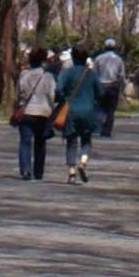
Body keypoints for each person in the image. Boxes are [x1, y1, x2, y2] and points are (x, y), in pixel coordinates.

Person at [55, 43, 103, 182]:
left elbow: (58, 90)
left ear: (73, 57)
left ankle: (71, 173)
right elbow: (100, 92)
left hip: (71, 111)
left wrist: (63, 99)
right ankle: (82, 162)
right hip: (88, 111)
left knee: (71, 141)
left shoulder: (67, 73)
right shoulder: (92, 74)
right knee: (86, 140)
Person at [13, 45, 57, 181]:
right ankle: (38, 172)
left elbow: (18, 94)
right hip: (42, 112)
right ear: (43, 60)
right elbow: (52, 95)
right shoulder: (48, 76)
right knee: (40, 142)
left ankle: (26, 169)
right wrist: (52, 108)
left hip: (26, 111)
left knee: (25, 141)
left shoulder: (24, 74)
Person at [91, 37, 127, 138]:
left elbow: (94, 73)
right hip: (113, 86)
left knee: (100, 108)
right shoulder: (118, 59)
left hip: (101, 85)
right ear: (115, 47)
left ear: (105, 47)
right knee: (111, 111)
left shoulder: (99, 58)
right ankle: (107, 131)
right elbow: (121, 75)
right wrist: (121, 88)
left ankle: (99, 128)